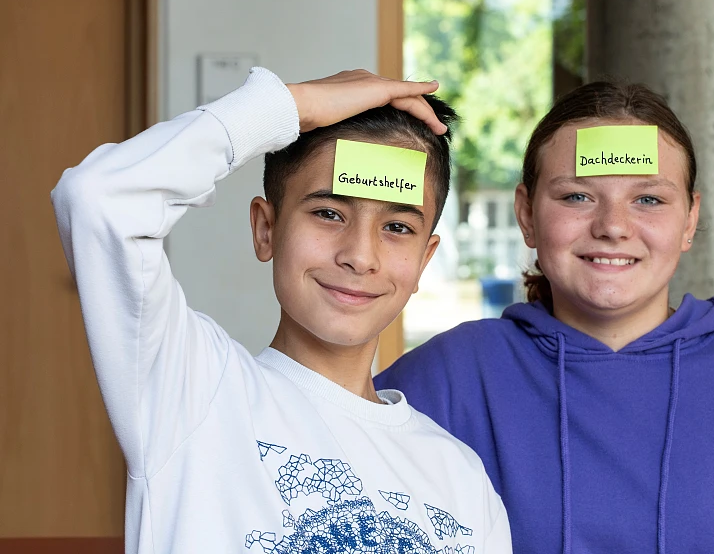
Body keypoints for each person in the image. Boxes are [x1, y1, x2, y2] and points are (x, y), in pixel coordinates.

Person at [51, 67, 511, 554]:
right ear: (266, 229)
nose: (360, 255)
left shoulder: (461, 479)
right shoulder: (194, 393)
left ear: (424, 259)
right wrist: (288, 107)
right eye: (329, 213)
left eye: (397, 227)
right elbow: (98, 199)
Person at [375, 81, 714, 553]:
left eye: (649, 200)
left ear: (689, 220)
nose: (613, 226)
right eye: (577, 197)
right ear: (526, 214)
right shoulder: (449, 377)